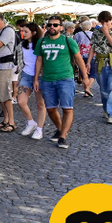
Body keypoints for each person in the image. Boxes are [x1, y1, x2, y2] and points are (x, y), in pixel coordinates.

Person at [34, 15, 89, 149]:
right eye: (50, 25)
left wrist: (85, 77)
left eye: (55, 25)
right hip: (47, 80)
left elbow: (79, 59)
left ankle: (63, 137)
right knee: (51, 109)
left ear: (61, 27)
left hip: (65, 79)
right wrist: (36, 79)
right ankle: (60, 129)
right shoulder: (41, 42)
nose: (52, 27)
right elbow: (39, 61)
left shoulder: (68, 41)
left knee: (67, 108)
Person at [88, 10, 112, 124]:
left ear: (111, 20)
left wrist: (106, 33)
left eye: (107, 21)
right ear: (100, 21)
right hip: (100, 62)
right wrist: (88, 62)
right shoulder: (96, 32)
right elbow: (92, 47)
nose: (105, 24)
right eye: (103, 22)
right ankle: (106, 108)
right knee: (103, 89)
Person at [16, 23, 47, 139]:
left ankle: (39, 129)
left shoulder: (42, 45)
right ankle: (31, 122)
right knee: (21, 101)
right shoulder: (21, 45)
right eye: (22, 31)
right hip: (26, 75)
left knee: (40, 104)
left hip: (40, 76)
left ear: (34, 33)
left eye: (26, 31)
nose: (23, 33)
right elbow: (19, 61)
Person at [73, 19, 95, 97]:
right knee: (93, 74)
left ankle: (86, 89)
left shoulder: (78, 34)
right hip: (92, 56)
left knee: (83, 73)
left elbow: (74, 46)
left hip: (80, 56)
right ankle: (87, 89)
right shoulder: (93, 34)